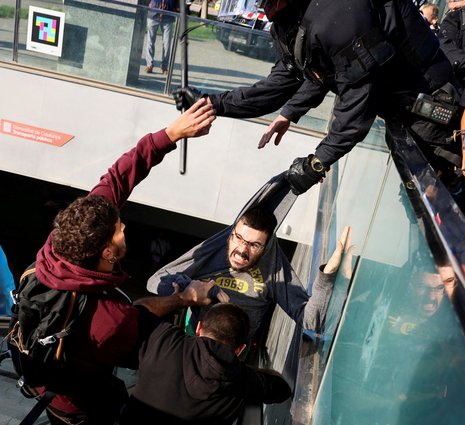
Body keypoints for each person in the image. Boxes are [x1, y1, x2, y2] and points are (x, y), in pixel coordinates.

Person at [22, 98, 216, 425]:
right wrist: (185, 298)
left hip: (45, 389)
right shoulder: (110, 320)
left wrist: (170, 134)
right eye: (118, 231)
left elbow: (116, 178)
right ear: (107, 254)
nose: (124, 226)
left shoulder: (58, 248)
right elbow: (144, 335)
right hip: (80, 412)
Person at [174, 0, 459, 196]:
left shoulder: (340, 15)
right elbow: (287, 82)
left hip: (432, 116)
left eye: (268, 1)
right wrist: (212, 103)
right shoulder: (293, 20)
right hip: (402, 117)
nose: (265, 8)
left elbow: (358, 102)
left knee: (452, 209)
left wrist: (317, 162)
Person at [149, 218, 352, 344]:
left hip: (235, 353)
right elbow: (155, 282)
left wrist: (328, 275)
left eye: (254, 245)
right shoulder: (211, 256)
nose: (242, 251)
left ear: (265, 249)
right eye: (239, 238)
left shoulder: (274, 272)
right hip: (193, 339)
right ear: (230, 236)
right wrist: (191, 288)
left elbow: (311, 321)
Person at [118, 303, 292, 425]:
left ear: (199, 328)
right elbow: (282, 388)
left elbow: (134, 310)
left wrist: (184, 297)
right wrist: (236, 367)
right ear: (240, 349)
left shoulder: (165, 339)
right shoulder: (244, 380)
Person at [145, 0, 178, 74]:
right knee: (150, 41)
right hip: (153, 14)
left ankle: (164, 66)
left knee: (167, 44)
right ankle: (149, 65)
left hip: (168, 16)